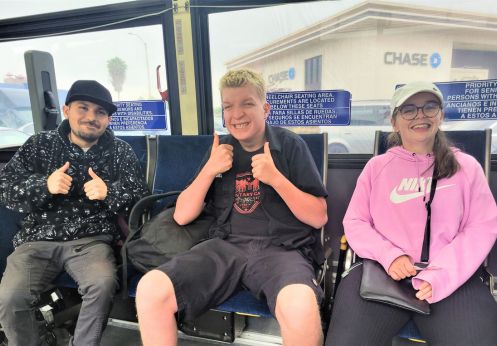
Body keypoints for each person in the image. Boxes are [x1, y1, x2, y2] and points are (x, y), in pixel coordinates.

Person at [136, 69, 328, 346]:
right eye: (228, 106)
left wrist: (276, 179)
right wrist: (209, 171)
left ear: (265, 109)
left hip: (281, 250)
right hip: (224, 247)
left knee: (301, 307)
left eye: (247, 103)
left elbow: (318, 217)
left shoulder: (290, 146)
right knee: (151, 289)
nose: (237, 114)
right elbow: (182, 215)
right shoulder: (220, 149)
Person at [326, 81, 497, 345]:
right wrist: (389, 256)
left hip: (451, 278)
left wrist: (442, 274)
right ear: (394, 121)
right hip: (384, 273)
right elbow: (356, 221)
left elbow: (481, 228)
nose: (420, 115)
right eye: (409, 109)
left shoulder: (466, 167)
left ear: (440, 115)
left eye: (430, 107)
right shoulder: (377, 167)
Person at [0, 80, 149, 346]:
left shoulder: (120, 152)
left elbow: (140, 199)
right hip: (37, 239)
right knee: (11, 297)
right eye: (83, 108)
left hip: (91, 241)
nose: (91, 117)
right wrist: (44, 186)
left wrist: (109, 193)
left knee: (102, 284)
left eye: (100, 112)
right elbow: (7, 190)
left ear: (108, 119)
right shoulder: (39, 145)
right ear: (67, 110)